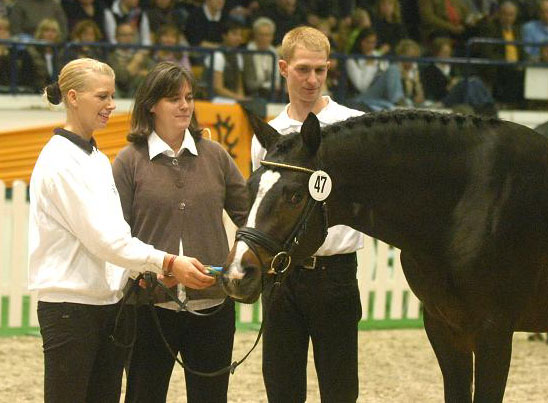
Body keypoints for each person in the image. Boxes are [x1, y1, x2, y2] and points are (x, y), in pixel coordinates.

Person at [28, 57, 212, 403]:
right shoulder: (60, 162)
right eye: (101, 97)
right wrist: (168, 263)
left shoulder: (95, 157)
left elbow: (116, 235)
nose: (111, 105)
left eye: (112, 96)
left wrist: (146, 271)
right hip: (71, 308)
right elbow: (106, 241)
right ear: (72, 97)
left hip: (109, 304)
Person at [113, 61, 248, 402]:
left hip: (214, 306)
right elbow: (115, 235)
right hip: (148, 308)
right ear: (151, 105)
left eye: (189, 97)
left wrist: (239, 258)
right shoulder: (129, 161)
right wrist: (151, 272)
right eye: (174, 98)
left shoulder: (215, 155)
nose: (185, 105)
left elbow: (250, 216)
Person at [250, 26, 365, 403]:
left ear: (329, 68)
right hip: (282, 279)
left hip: (336, 273)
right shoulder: (268, 135)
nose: (312, 79)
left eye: (320, 69)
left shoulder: (354, 127)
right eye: (302, 69)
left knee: (340, 389)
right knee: (281, 388)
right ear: (283, 68)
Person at [354, 38, 425, 110]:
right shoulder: (391, 68)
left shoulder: (413, 73)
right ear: (401, 55)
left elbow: (417, 98)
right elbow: (396, 97)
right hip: (369, 101)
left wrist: (417, 89)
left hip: (385, 106)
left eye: (415, 58)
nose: (413, 61)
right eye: (411, 57)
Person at [107, 22, 154, 97]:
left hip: (136, 95)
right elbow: (122, 79)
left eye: (131, 35)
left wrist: (142, 73)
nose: (128, 38)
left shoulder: (141, 56)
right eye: (124, 35)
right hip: (117, 95)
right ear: (116, 37)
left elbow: (154, 73)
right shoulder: (111, 58)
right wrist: (135, 63)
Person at [205, 19, 247, 101]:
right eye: (234, 34)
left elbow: (239, 85)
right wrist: (238, 98)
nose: (238, 38)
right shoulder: (218, 55)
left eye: (240, 35)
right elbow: (218, 88)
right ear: (224, 35)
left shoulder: (238, 56)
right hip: (214, 99)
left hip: (232, 98)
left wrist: (242, 99)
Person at [243, 17, 280, 99]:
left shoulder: (274, 53)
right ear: (255, 35)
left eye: (267, 35)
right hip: (255, 94)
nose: (264, 38)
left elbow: (278, 81)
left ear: (272, 37)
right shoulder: (247, 53)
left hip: (273, 92)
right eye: (261, 35)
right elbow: (249, 85)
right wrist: (266, 85)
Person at [26, 18, 62, 92]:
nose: (50, 34)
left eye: (53, 31)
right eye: (46, 30)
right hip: (33, 93)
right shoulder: (31, 52)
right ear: (40, 33)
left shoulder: (61, 53)